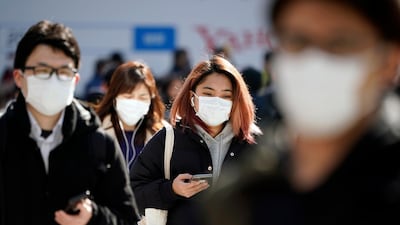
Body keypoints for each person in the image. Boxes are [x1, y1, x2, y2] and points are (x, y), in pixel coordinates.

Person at [204, 0, 400, 225]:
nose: (314, 61)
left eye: (341, 42)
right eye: (298, 41)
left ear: (389, 60)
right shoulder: (240, 194)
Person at [0, 20, 139, 225]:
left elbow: (127, 220)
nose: (54, 80)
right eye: (42, 71)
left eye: (64, 72)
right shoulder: (3, 138)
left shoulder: (99, 143)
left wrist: (94, 217)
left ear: (75, 80)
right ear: (19, 78)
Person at [130, 55, 261, 225]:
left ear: (235, 100)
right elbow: (133, 192)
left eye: (226, 96)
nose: (216, 101)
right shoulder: (168, 139)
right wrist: (171, 190)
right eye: (208, 93)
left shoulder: (253, 143)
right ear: (192, 98)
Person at [95, 61, 166, 170]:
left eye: (142, 97)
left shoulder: (164, 134)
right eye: (128, 96)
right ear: (114, 96)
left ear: (151, 99)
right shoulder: (95, 130)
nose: (135, 103)